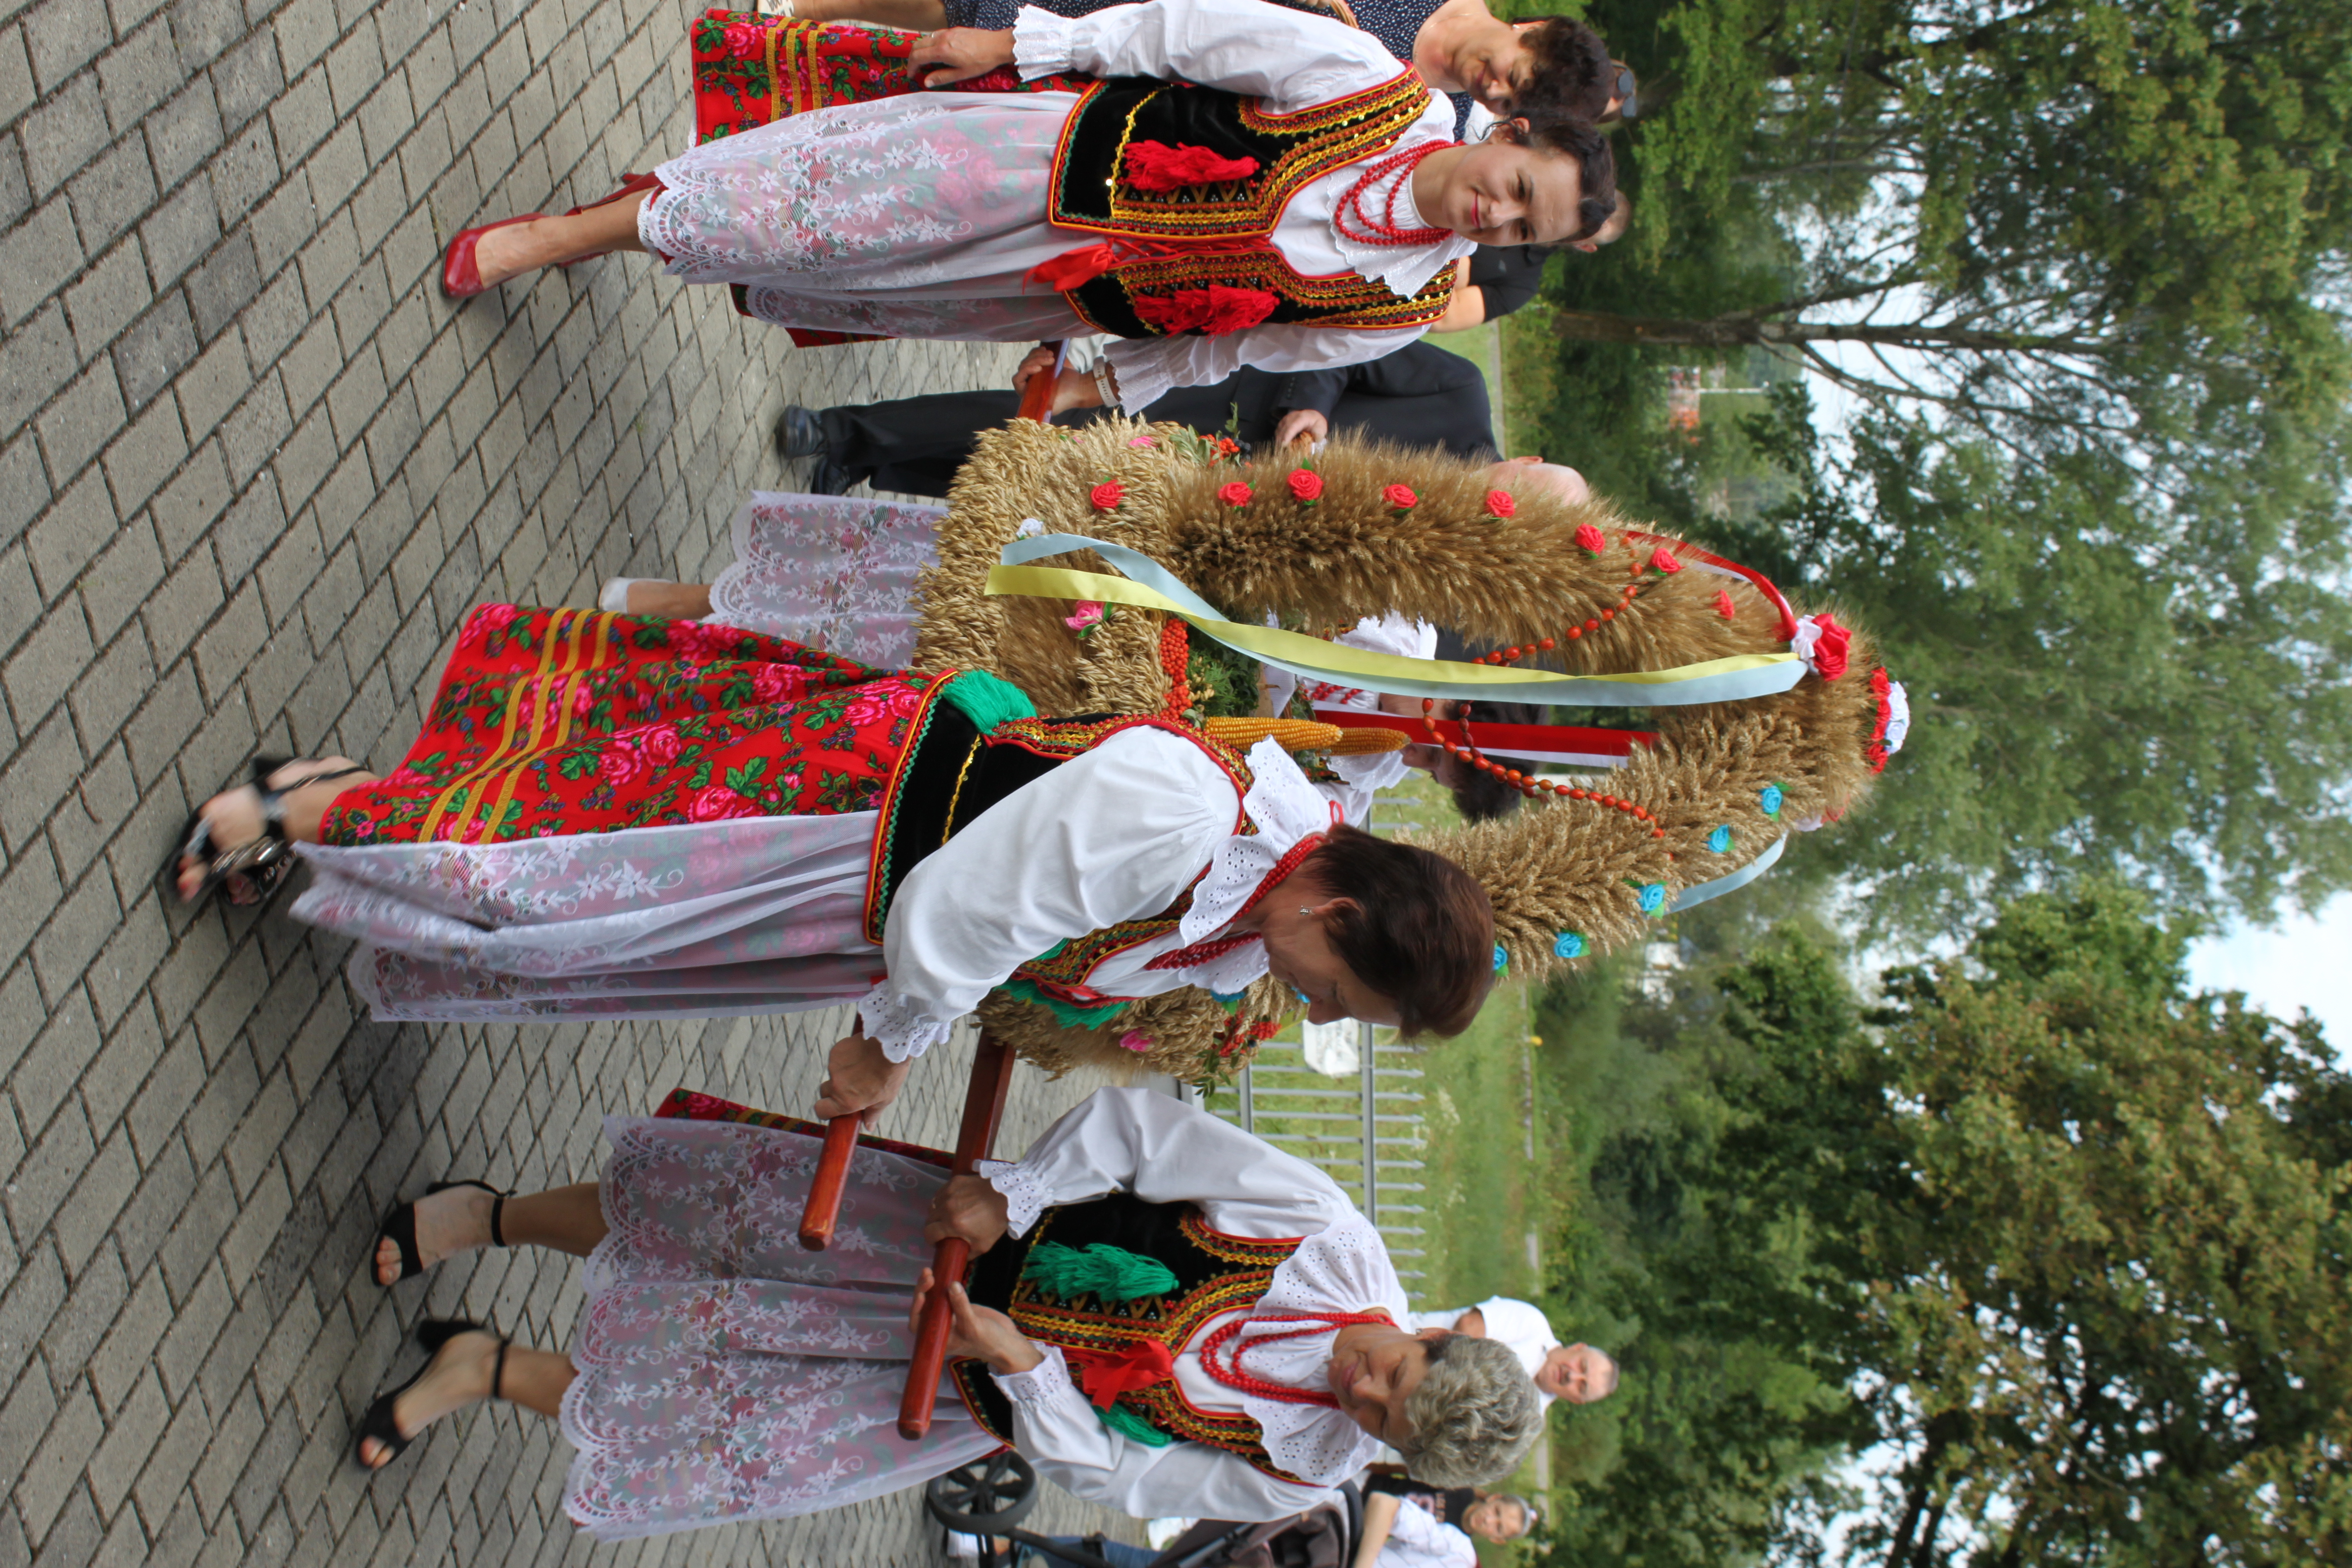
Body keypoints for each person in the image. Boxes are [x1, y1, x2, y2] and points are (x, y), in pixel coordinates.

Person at [167, 607, 1496, 1116]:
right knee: (549, 873)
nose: (1307, 1006)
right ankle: (292, 814)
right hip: (838, 835)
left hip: (843, 890)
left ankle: (331, 801)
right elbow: (965, 910)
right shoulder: (1193, 824)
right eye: (1334, 989)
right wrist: (890, 1047)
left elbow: (1039, 950)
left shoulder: (1246, 904)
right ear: (1334, 906)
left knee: (565, 899)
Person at [353, 1087, 1545, 1537]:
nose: (1361, 1391)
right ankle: (487, 1214)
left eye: (1378, 1422)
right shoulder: (1326, 1236)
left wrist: (1025, 1370)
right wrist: (1011, 1192)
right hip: (957, 1232)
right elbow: (1143, 1134)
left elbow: (1129, 1485)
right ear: (1438, 1331)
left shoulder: (1297, 1470)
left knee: (727, 1416)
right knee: (712, 1213)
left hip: (958, 1387)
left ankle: (482, 1365)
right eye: (1393, 1369)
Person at [441, 0, 1617, 418]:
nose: (1496, 221)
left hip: (1039, 293)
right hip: (1033, 167)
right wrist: (1019, 41)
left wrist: (1091, 384)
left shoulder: (1400, 304)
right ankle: (564, 235)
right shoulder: (1365, 81)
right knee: (817, 207)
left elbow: (1236, 347)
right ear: (1505, 138)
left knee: (832, 267)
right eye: (1517, 193)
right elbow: (1178, 32)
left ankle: (638, 222)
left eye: (1521, 233)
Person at [768, 0, 1623, 141]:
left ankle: (793, 85)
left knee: (985, 56)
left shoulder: (1408, 107)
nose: (1497, 90)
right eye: (1516, 71)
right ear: (1533, 27)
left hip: (1165, 75)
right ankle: (803, 13)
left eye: (1513, 101)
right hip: (1169, 8)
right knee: (976, 3)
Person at [775, 337, 1511, 497]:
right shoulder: (1461, 393)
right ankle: (844, 429)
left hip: (1217, 489)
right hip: (1228, 404)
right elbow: (1343, 345)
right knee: (1030, 425)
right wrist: (1312, 411)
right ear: (1530, 467)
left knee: (1042, 491)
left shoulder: (1444, 521)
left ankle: (878, 465)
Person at [1406, 1295, 1616, 1408]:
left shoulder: (1531, 1416)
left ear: (1576, 1401)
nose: (1572, 1375)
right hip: (1403, 1341)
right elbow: (1468, 1328)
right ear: (1578, 1348)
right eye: (1582, 1365)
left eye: (1582, 1386)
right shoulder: (1534, 1324)